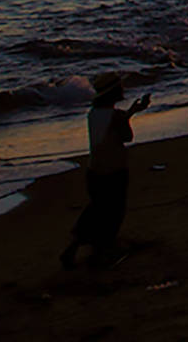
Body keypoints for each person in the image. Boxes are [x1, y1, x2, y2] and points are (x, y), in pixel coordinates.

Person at [62, 75, 146, 269]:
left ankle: (74, 248)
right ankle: (102, 253)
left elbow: (109, 127)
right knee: (113, 213)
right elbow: (127, 136)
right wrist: (130, 115)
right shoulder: (115, 115)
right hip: (114, 170)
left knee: (96, 210)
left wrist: (131, 112)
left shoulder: (93, 113)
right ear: (114, 92)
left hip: (95, 171)